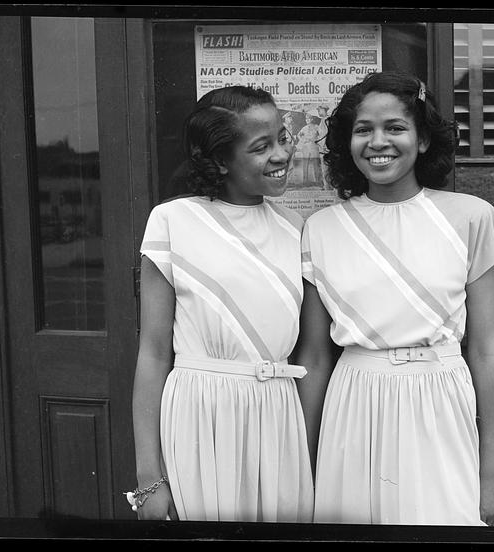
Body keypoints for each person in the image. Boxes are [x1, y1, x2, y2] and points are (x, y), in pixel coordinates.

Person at [295, 71, 494, 526]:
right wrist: (305, 462)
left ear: (424, 139)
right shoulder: (321, 228)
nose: (378, 142)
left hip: (441, 397)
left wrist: (491, 474)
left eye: (395, 127)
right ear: (346, 144)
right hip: (353, 399)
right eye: (363, 130)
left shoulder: (471, 218)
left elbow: (487, 349)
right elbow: (314, 355)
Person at [129, 85, 313, 522]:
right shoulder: (173, 220)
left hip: (279, 412)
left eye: (283, 138)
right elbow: (154, 354)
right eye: (261, 146)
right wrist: (149, 479)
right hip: (201, 412)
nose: (282, 154)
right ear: (219, 159)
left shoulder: (297, 227)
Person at [295, 113, 322, 187]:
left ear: (312, 119)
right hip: (306, 147)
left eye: (309, 119)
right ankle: (305, 182)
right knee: (305, 164)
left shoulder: (316, 127)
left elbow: (321, 135)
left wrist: (317, 140)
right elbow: (298, 135)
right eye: (306, 119)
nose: (307, 120)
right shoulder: (304, 128)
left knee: (316, 164)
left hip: (314, 147)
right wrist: (303, 140)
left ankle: (318, 181)